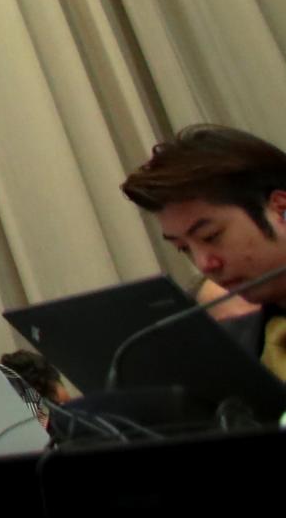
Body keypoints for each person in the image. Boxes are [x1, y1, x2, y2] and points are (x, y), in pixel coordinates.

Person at [120, 124, 286, 377]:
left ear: (280, 208)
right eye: (183, 249)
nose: (204, 264)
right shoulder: (230, 352)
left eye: (211, 236)